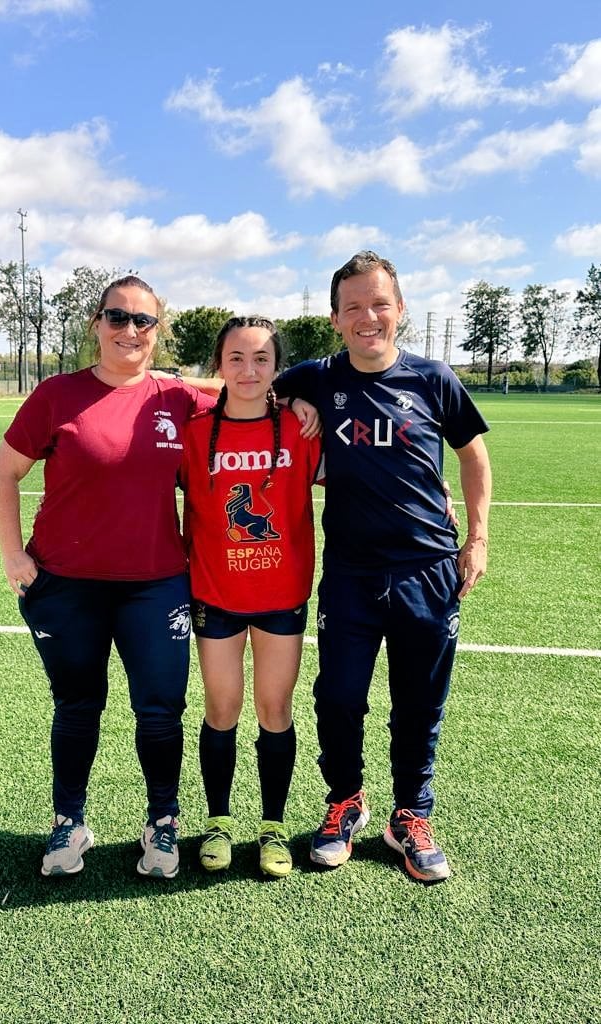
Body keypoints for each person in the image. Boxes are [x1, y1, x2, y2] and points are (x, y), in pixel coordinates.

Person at [0, 274, 216, 881]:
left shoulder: (176, 397)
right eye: (118, 317)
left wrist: (298, 397)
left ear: (157, 330)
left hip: (155, 584)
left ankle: (162, 821)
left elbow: (249, 384)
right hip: (66, 585)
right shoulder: (56, 395)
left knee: (161, 712)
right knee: (77, 706)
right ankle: (70, 821)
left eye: (143, 321)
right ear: (96, 324)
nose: (130, 331)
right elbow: (3, 473)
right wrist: (14, 556)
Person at [273, 251, 492, 883]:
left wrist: (476, 539)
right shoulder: (317, 375)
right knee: (338, 697)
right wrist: (294, 406)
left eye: (379, 304)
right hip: (350, 573)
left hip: (428, 569)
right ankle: (345, 802)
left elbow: (474, 456)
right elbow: (255, 384)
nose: (367, 318)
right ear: (336, 319)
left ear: (399, 309)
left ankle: (411, 813)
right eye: (353, 309)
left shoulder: (434, 378)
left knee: (419, 702)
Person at [179, 316, 323, 878]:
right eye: (236, 358)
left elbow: (365, 475)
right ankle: (218, 820)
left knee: (274, 710)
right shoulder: (193, 432)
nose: (248, 369)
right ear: (219, 365)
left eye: (261, 358)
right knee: (221, 709)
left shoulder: (301, 428)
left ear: (276, 369)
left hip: (281, 594)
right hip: (216, 593)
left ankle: (273, 826)